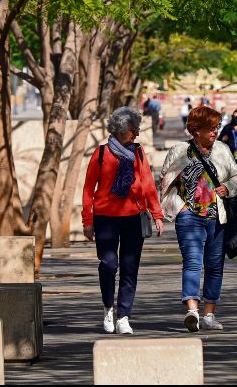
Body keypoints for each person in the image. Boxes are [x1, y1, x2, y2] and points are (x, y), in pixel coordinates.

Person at [159, 106, 237, 332]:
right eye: (211, 128)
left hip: (217, 217)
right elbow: (165, 178)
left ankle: (209, 315)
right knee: (193, 263)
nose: (215, 131)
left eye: (217, 127)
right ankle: (192, 311)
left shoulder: (223, 150)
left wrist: (227, 187)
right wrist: (179, 206)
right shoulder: (180, 151)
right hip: (189, 217)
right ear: (197, 130)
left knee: (215, 266)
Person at [82, 107, 165, 335]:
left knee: (130, 269)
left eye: (137, 129)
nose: (136, 134)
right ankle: (108, 307)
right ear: (120, 130)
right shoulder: (100, 154)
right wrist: (87, 220)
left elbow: (148, 184)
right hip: (105, 217)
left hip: (133, 217)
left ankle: (124, 316)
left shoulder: (138, 153)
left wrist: (157, 215)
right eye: (133, 130)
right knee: (109, 264)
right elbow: (89, 189)